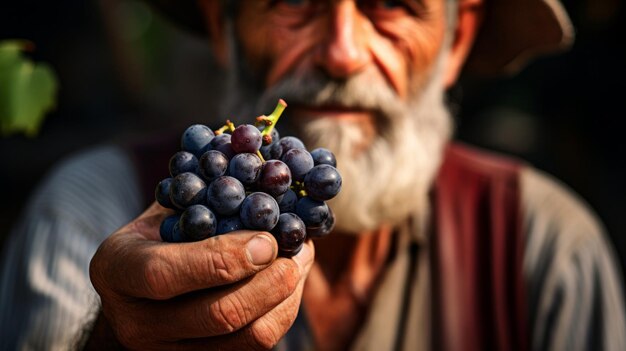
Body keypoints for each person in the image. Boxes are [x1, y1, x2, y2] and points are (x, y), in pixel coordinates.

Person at [1, 0, 625, 350]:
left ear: (456, 40)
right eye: (296, 2)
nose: (343, 53)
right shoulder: (85, 211)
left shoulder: (547, 249)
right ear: (225, 28)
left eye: (395, 6)